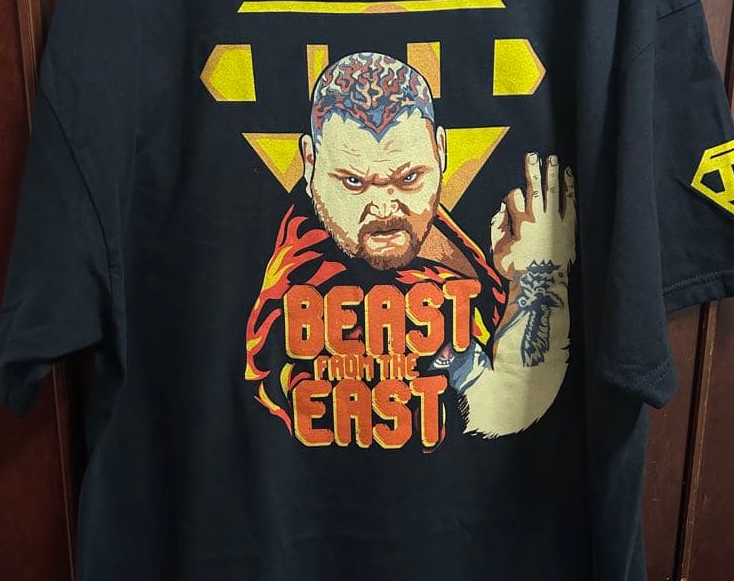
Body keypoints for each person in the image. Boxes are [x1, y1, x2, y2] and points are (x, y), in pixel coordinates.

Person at [245, 50, 576, 447]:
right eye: (354, 182)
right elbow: (502, 412)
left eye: (408, 178)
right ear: (311, 161)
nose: (385, 207)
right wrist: (540, 276)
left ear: (440, 150)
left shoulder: (417, 229)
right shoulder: (323, 283)